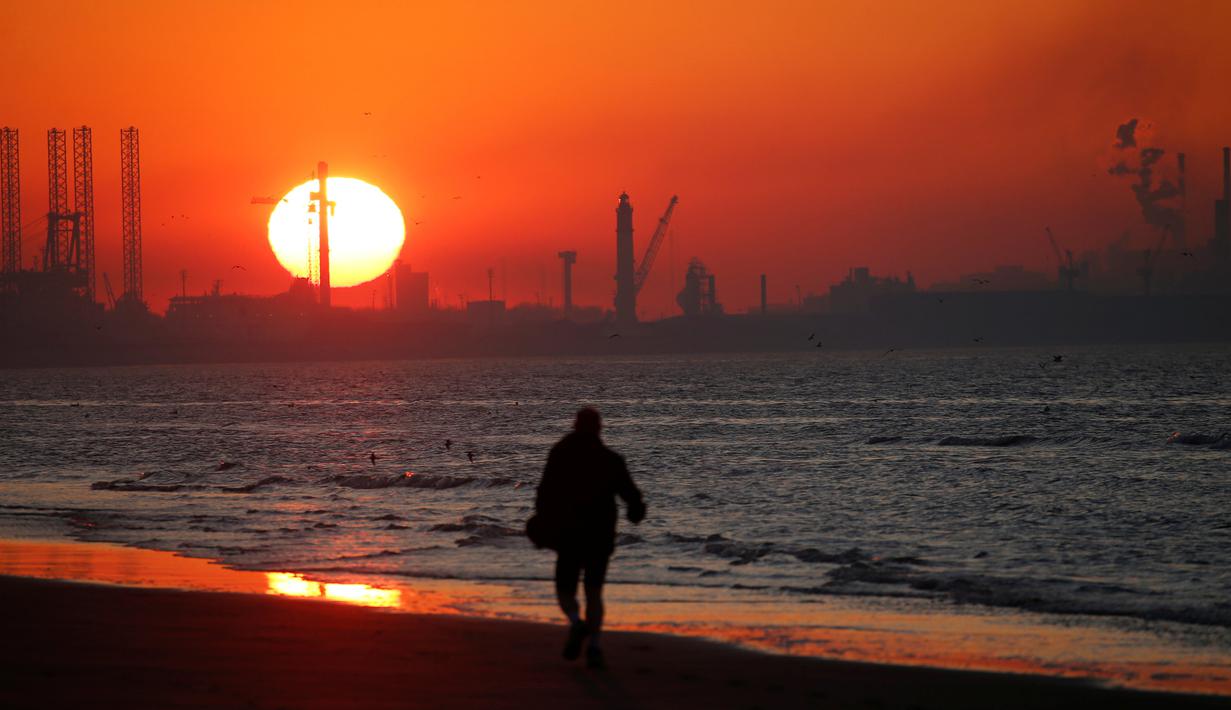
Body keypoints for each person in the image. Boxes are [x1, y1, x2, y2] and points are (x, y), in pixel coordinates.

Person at [534, 407, 645, 669]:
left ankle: (576, 623)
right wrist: (635, 512)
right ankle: (594, 646)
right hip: (600, 534)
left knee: (564, 590)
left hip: (569, 534)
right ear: (599, 427)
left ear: (575, 425)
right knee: (594, 592)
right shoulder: (610, 459)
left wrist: (542, 520)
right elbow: (631, 497)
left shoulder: (560, 453)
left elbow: (545, 491)